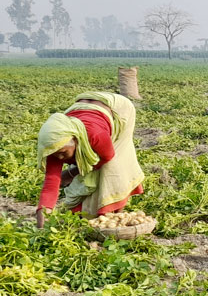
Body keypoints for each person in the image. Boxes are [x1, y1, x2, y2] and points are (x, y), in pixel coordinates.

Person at [35, 91, 144, 228]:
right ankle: (92, 210)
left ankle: (114, 213)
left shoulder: (96, 135)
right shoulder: (54, 146)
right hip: (85, 107)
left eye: (63, 153)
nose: (60, 158)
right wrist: (42, 217)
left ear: (75, 140)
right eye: (56, 154)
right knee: (88, 170)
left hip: (119, 108)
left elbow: (106, 158)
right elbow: (50, 184)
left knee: (113, 169)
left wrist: (73, 172)